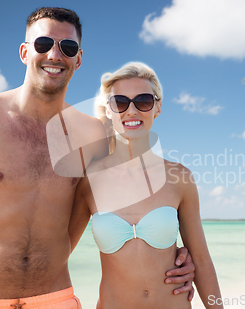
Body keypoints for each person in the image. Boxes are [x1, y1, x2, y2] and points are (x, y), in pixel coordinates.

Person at [0, 7, 195, 309]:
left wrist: (176, 255)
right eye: (43, 44)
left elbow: (128, 205)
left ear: (78, 59)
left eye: (67, 47)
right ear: (24, 52)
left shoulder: (93, 134)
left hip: (57, 299)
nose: (55, 55)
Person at [68, 62, 223, 309]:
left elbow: (202, 260)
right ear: (109, 109)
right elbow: (58, 254)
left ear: (157, 107)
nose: (131, 111)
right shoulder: (89, 182)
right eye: (120, 102)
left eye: (143, 101)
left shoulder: (179, 177)